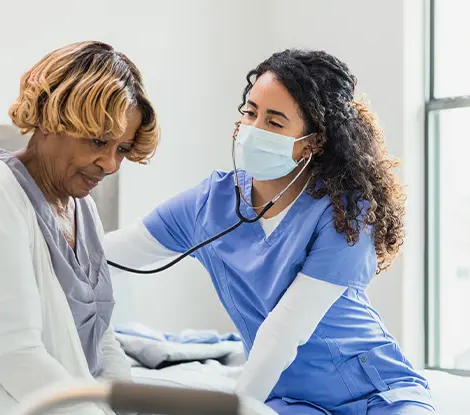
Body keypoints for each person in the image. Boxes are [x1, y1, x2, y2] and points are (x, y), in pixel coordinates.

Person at [104, 49, 434, 414]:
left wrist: (237, 407)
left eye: (274, 123)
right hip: (290, 400)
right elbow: (104, 253)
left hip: (376, 393)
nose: (253, 130)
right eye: (250, 112)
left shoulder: (344, 210)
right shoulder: (209, 204)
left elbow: (284, 331)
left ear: (313, 142)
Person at [0, 41, 159, 414]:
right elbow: (13, 353)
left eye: (122, 149)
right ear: (50, 119)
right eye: (98, 142)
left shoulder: (83, 207)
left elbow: (102, 336)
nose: (110, 165)